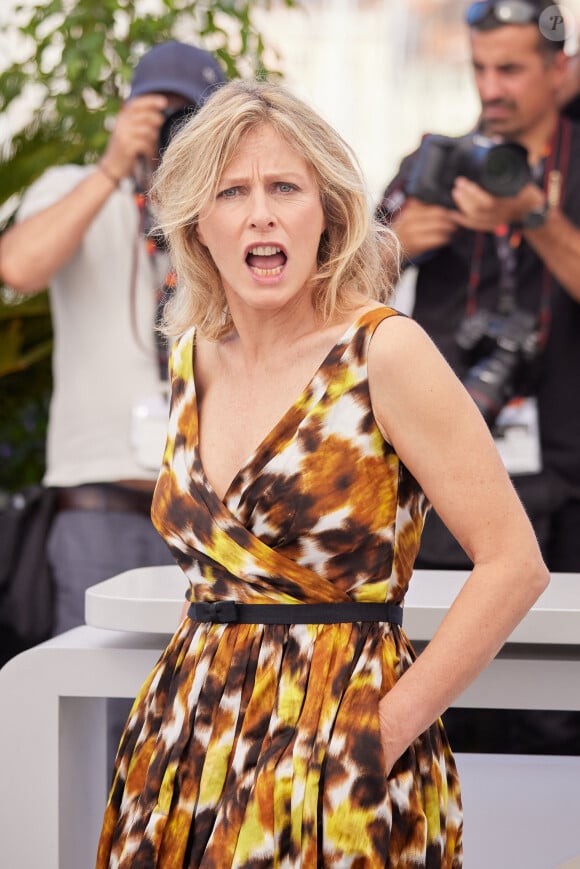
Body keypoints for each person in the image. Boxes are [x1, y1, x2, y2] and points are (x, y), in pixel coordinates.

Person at [95, 78, 548, 868]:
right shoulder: (189, 356)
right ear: (201, 225)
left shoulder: (383, 350)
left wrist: (381, 732)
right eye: (232, 191)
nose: (260, 212)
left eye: (284, 187)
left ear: (329, 214)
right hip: (185, 746)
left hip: (344, 752)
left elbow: (515, 564)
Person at [0, 41, 226, 767]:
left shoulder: (221, 213)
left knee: (199, 730)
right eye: (159, 113)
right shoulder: (77, 186)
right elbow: (19, 267)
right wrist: (110, 168)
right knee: (92, 738)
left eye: (189, 119)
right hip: (99, 508)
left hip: (206, 518)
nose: (170, 134)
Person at [376, 0, 580, 754]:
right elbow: (336, 297)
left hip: (569, 483)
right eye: (479, 68)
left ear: (559, 68)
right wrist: (394, 244)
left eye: (512, 68)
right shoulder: (433, 165)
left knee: (563, 722)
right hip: (451, 492)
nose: (491, 88)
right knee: (453, 713)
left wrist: (535, 216)